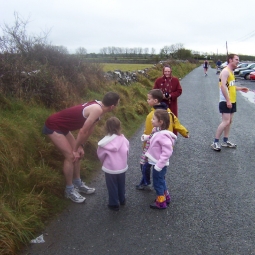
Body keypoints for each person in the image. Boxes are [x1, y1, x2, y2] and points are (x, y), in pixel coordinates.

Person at [42, 91, 120, 203]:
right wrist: (74, 149)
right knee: (70, 156)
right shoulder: (97, 109)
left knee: (78, 154)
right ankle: (69, 190)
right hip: (54, 125)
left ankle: (78, 183)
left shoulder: (100, 109)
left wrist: (80, 146)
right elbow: (83, 131)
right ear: (112, 106)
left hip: (63, 127)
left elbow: (89, 131)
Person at [136, 89, 189, 190]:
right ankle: (160, 181)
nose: (147, 101)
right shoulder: (169, 113)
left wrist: (145, 146)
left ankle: (146, 182)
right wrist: (185, 132)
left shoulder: (151, 116)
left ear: (155, 101)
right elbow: (177, 124)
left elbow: (148, 132)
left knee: (144, 164)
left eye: (149, 99)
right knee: (161, 164)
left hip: (153, 146)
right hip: (165, 146)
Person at [211, 54, 249, 152]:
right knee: (225, 122)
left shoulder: (231, 71)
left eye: (238, 59)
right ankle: (215, 142)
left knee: (229, 122)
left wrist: (240, 88)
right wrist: (227, 100)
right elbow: (223, 86)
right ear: (230, 60)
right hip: (225, 100)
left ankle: (225, 141)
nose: (238, 61)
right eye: (236, 59)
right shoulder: (225, 71)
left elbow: (230, 86)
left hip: (232, 100)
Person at [141, 109, 176, 209]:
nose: (151, 120)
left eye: (154, 119)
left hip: (159, 164)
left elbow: (167, 152)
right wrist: (146, 137)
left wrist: (159, 166)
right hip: (156, 161)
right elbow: (154, 137)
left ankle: (161, 202)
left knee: (157, 182)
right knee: (161, 180)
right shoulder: (157, 131)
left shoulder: (163, 136)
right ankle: (166, 196)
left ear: (160, 122)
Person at [97, 117, 129, 211]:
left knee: (112, 186)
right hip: (122, 167)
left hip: (110, 168)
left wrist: (104, 163)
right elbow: (127, 151)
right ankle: (122, 199)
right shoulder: (123, 139)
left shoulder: (104, 143)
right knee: (121, 184)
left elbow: (101, 155)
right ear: (119, 127)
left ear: (106, 127)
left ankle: (114, 204)